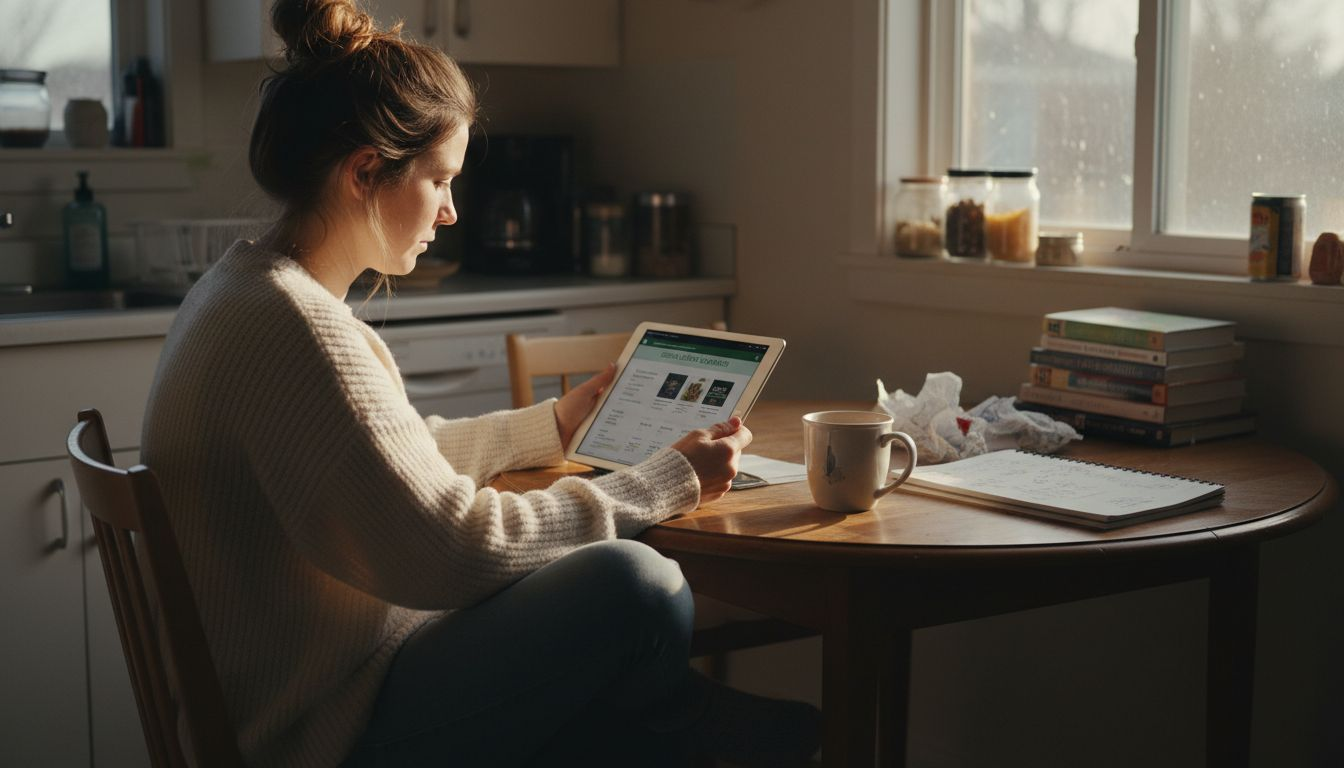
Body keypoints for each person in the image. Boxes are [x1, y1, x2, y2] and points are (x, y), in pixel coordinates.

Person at [140, 1, 820, 766]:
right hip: (320, 731)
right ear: (366, 170)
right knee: (633, 583)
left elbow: (384, 464)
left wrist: (552, 426)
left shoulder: (244, 289)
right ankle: (695, 732)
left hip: (306, 693)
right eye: (439, 181)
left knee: (616, 658)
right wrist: (663, 482)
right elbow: (450, 552)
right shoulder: (298, 327)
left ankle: (680, 732)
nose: (453, 211)